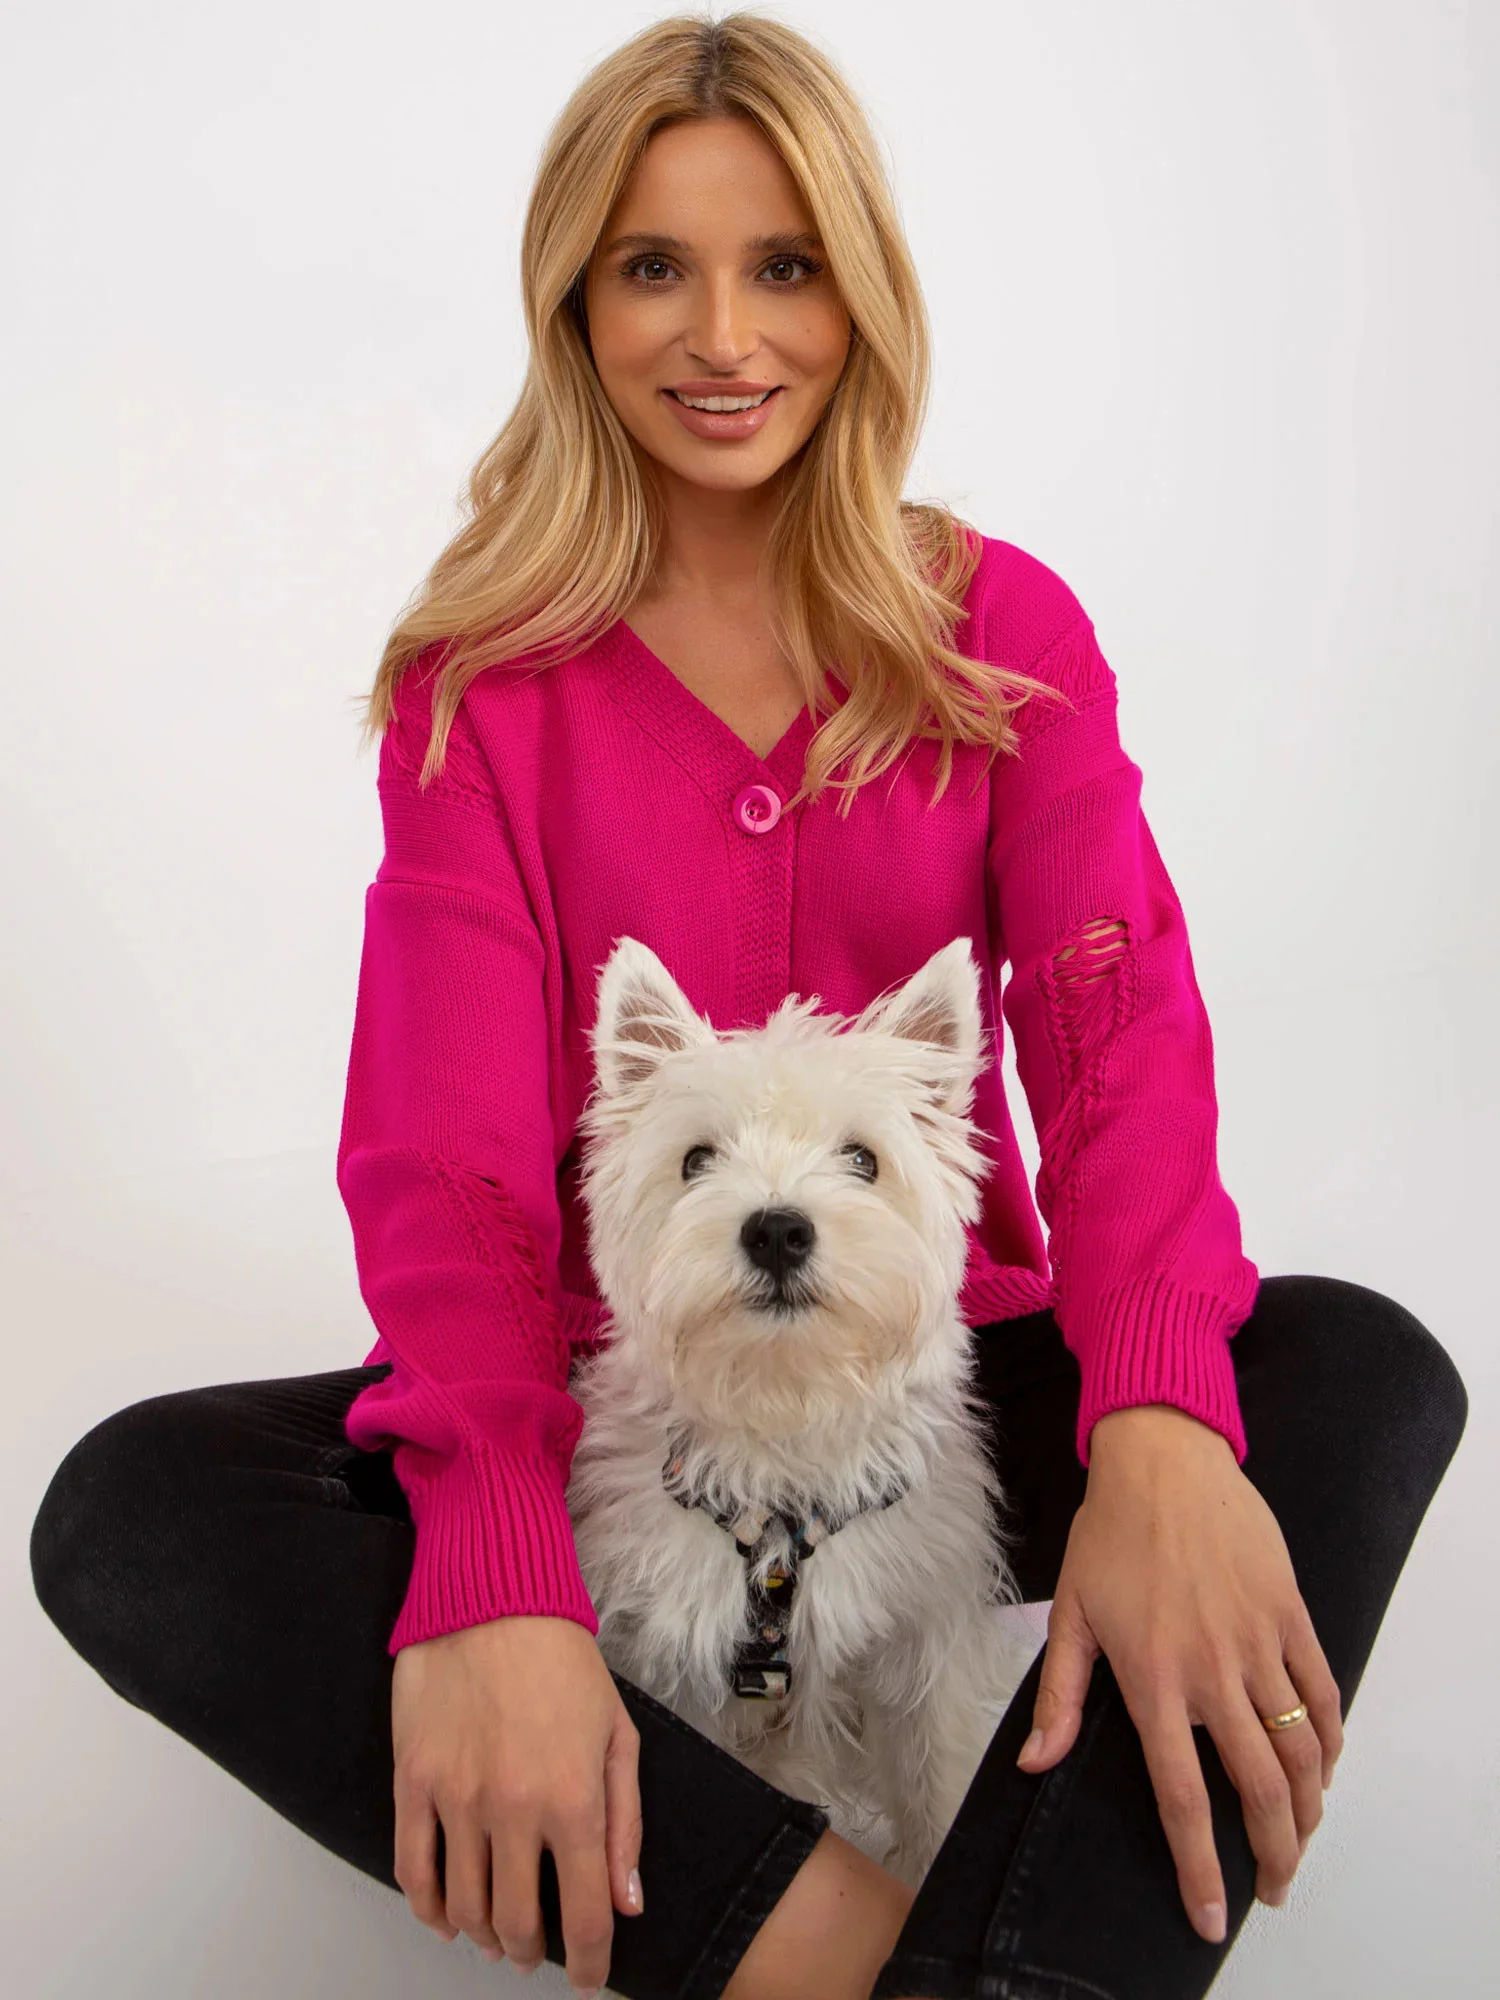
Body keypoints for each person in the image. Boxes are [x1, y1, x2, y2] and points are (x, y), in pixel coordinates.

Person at [29, 13, 1467, 2000]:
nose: (725, 336)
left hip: (938, 1387)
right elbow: (446, 1169)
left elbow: (1115, 1040)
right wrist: (502, 1566)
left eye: (783, 264)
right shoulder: (482, 689)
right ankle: (892, 1964)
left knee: (1360, 1367)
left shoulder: (1001, 629)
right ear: (575, 303)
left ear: (860, 291)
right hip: (625, 1407)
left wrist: (1153, 1426)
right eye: (655, 267)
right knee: (139, 1511)